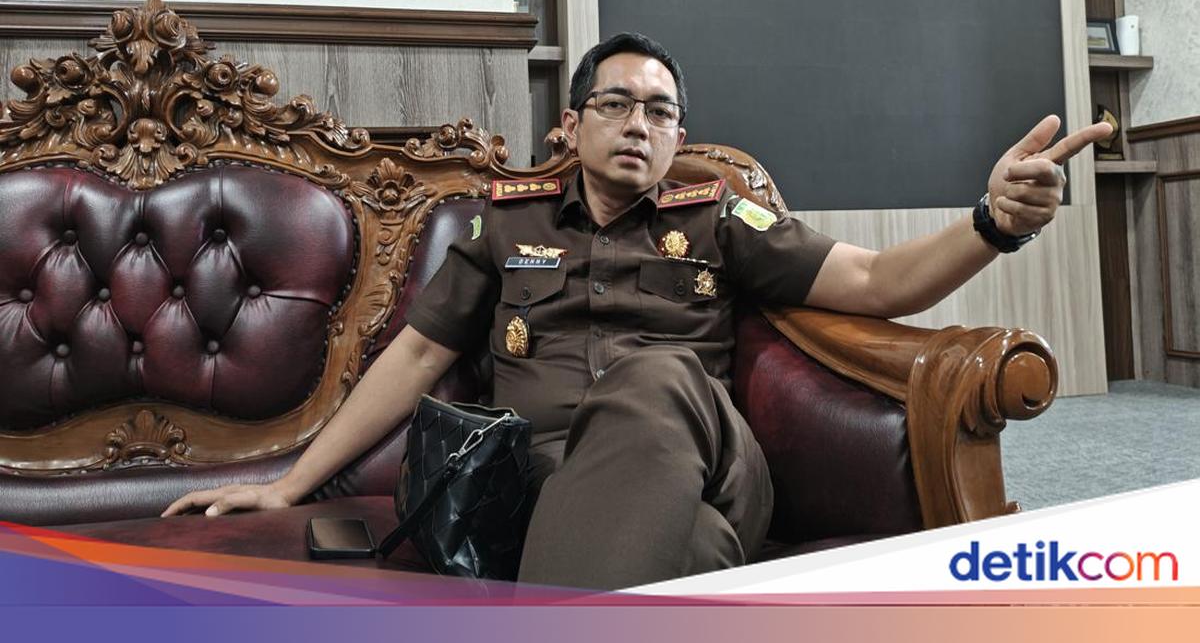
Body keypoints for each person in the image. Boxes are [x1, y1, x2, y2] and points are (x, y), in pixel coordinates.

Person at [163, 32, 1112, 590]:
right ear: (571, 125)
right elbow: (414, 357)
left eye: (659, 113)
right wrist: (291, 485)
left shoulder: (720, 219)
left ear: (678, 136)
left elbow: (876, 286)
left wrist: (992, 222)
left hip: (709, 467)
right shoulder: (508, 224)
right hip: (556, 492)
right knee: (688, 553)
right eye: (616, 106)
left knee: (654, 375)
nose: (639, 125)